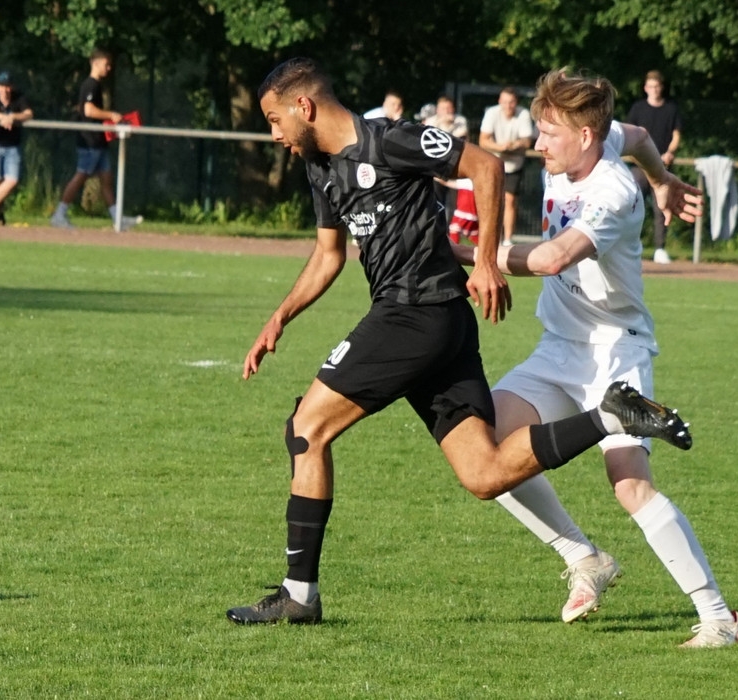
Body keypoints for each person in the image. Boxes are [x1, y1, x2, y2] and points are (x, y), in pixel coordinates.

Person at [225, 57, 693, 626]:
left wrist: (487, 261)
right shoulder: (320, 167)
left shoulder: (390, 140)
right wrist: (280, 317)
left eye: (275, 120)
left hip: (414, 313)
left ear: (304, 106)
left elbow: (485, 165)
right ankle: (610, 417)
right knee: (485, 473)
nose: (274, 135)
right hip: (435, 323)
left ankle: (300, 595)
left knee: (306, 429)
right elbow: (329, 255)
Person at [458, 68, 738, 648]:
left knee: (629, 484)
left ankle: (719, 618)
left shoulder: (611, 191)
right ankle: (583, 557)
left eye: (549, 134)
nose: (538, 144)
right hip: (558, 347)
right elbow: (638, 135)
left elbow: (552, 258)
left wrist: (460, 252)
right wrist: (663, 179)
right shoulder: (601, 139)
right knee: (485, 451)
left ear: (585, 136)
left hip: (615, 350)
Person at [50, 48, 140, 231]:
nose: (109, 68)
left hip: (99, 141)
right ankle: (59, 214)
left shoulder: (97, 85)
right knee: (81, 176)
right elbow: (88, 111)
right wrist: (111, 115)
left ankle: (118, 219)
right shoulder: (90, 85)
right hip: (89, 142)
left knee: (106, 180)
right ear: (96, 63)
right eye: (106, 64)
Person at [626, 70, 683, 264]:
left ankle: (660, 249)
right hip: (640, 167)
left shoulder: (671, 109)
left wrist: (670, 152)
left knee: (662, 208)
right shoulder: (638, 108)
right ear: (645, 88)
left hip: (662, 168)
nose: (654, 90)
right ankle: (628, 244)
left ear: (661, 88)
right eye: (650, 86)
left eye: (657, 86)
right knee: (631, 204)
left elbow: (676, 135)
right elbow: (629, 133)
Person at [480, 87, 535, 246]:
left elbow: (527, 141)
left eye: (511, 102)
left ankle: (507, 240)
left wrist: (514, 145)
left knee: (510, 201)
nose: (508, 106)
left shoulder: (523, 114)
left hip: (514, 165)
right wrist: (500, 148)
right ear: (499, 101)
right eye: (504, 102)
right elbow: (483, 141)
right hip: (493, 163)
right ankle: (490, 238)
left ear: (516, 102)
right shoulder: (492, 113)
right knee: (492, 201)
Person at [0, 71, 33, 225]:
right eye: (2, 86)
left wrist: (13, 117)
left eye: (8, 86)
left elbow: (28, 114)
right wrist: (2, 117)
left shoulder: (19, 98)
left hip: (12, 146)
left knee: (12, 179)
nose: (5, 90)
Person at [425, 96, 478, 245]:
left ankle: (451, 237)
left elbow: (460, 144)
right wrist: (443, 125)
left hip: (456, 170)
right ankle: (436, 234)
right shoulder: (430, 122)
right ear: (438, 110)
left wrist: (446, 127)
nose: (448, 112)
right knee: (436, 203)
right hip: (436, 170)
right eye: (444, 109)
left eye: (450, 108)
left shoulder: (460, 121)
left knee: (455, 205)